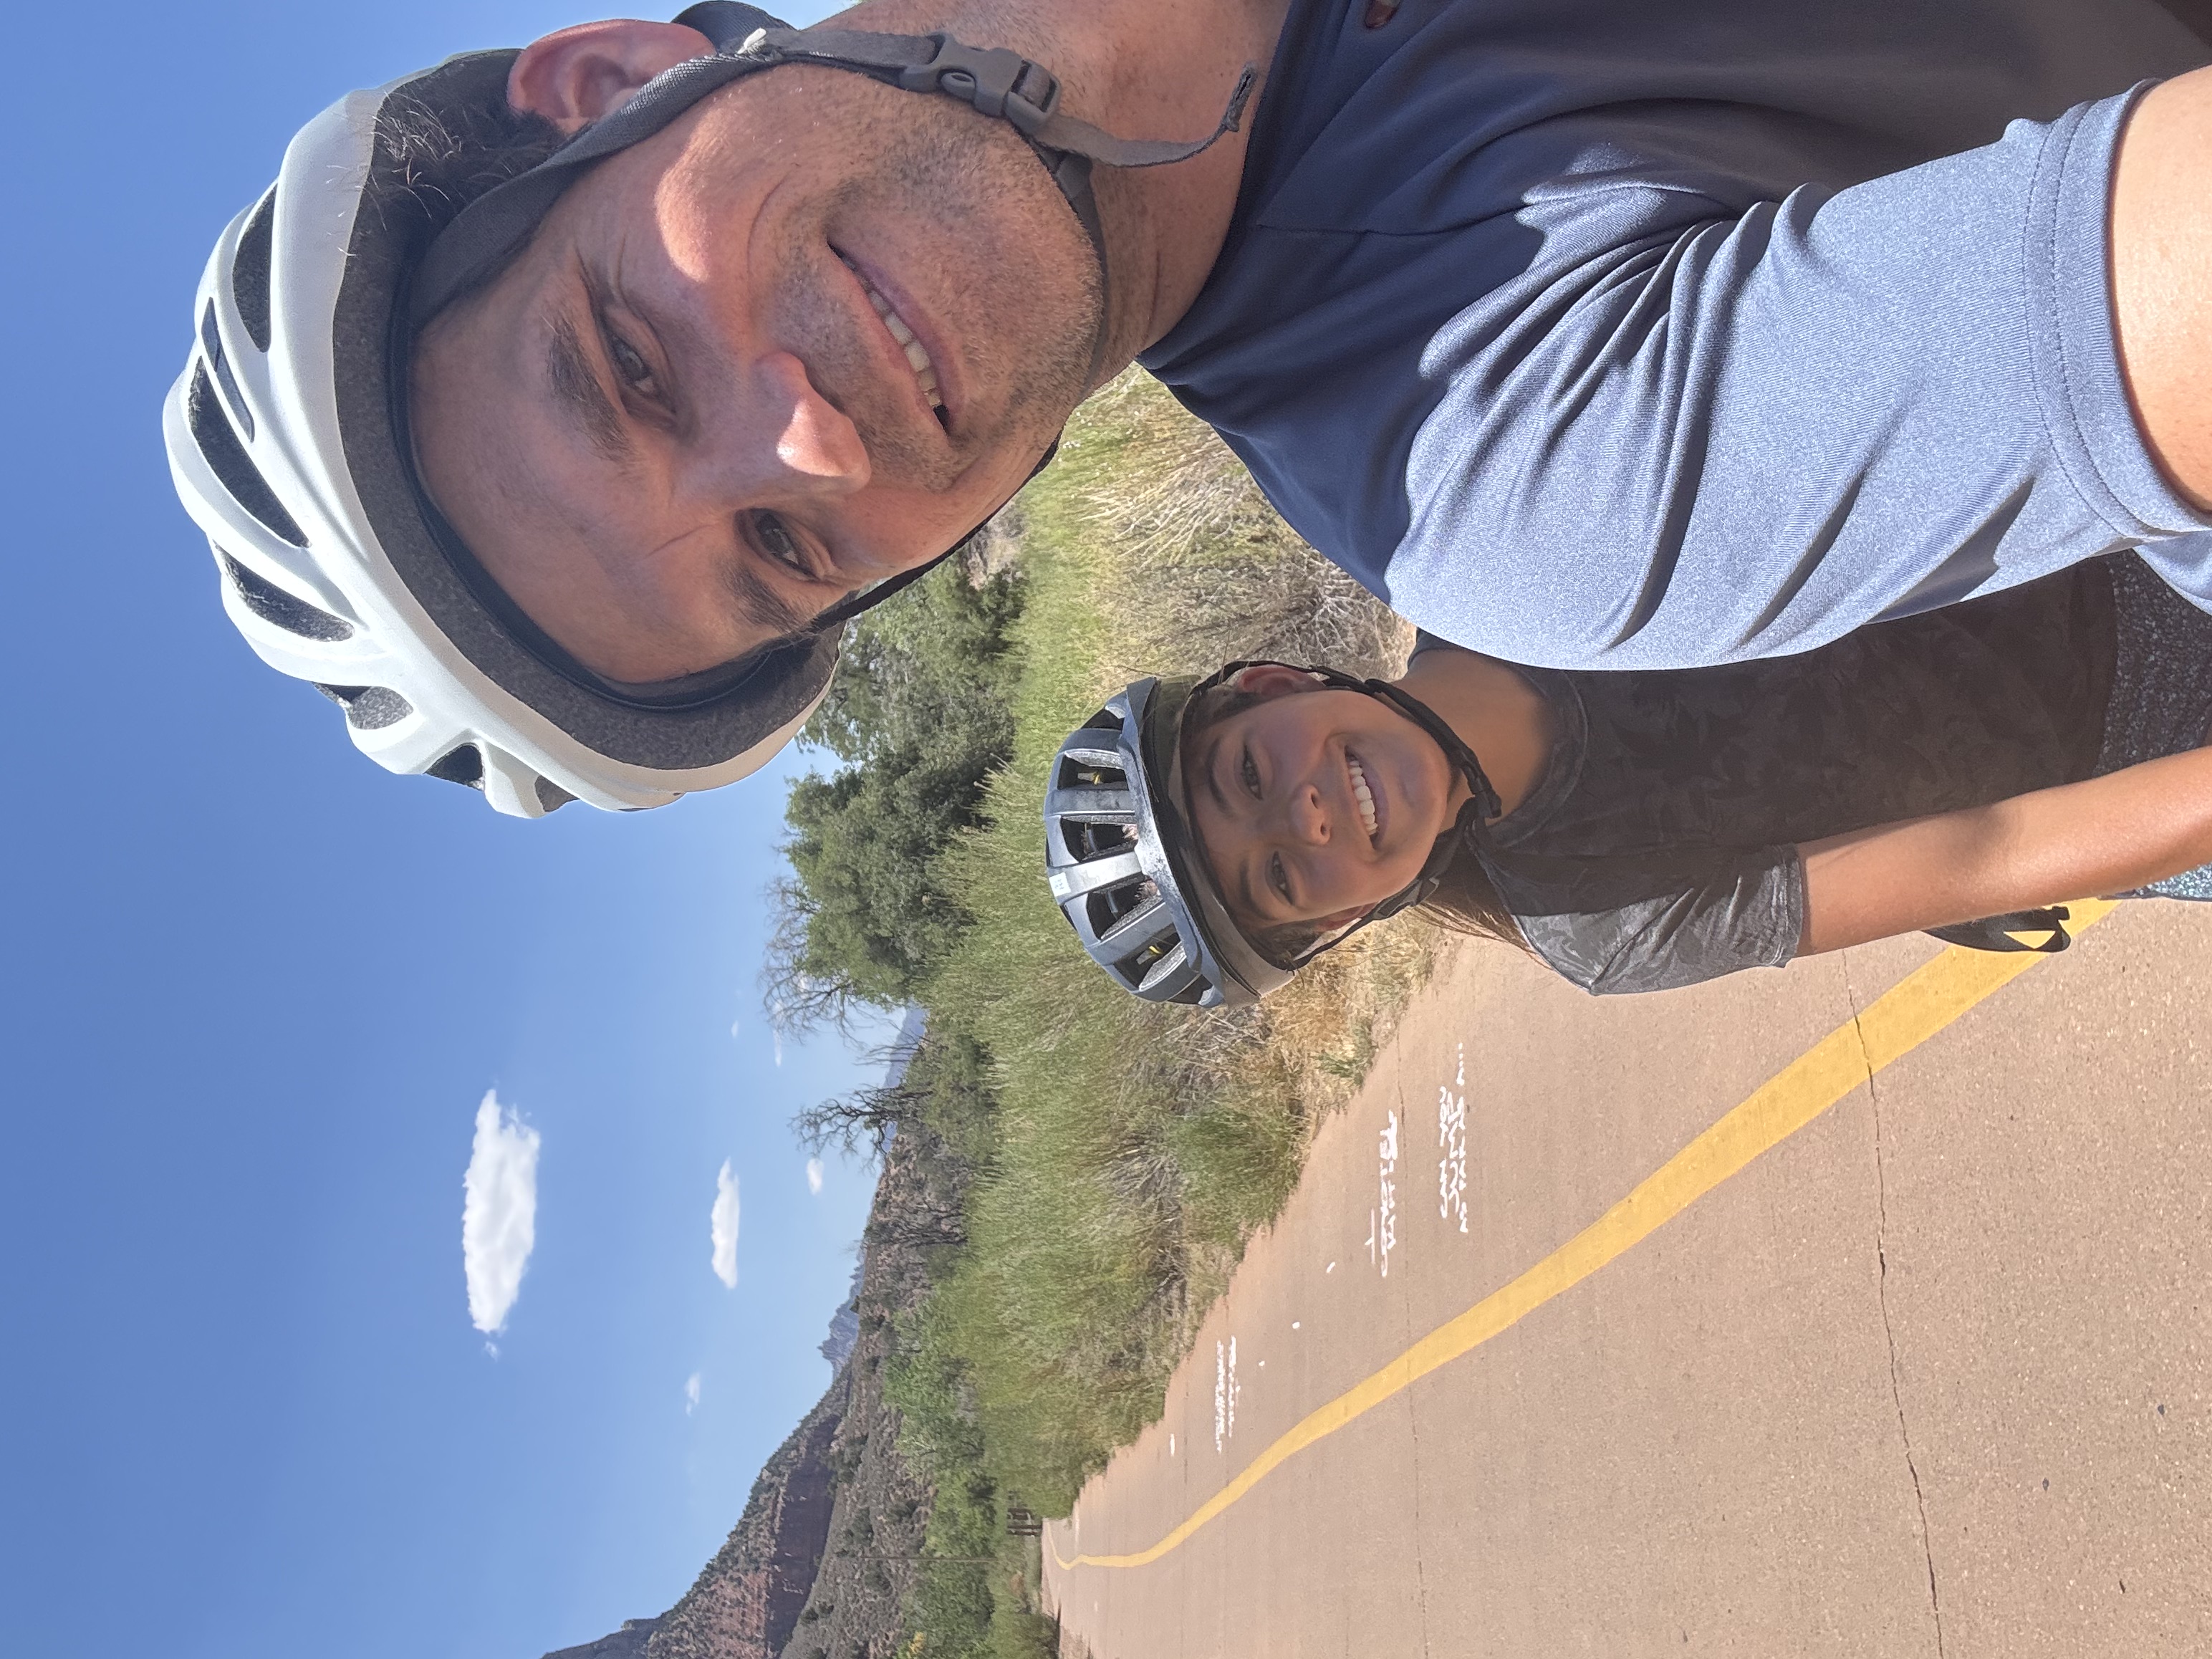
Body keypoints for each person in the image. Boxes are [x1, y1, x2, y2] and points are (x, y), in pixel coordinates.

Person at [168, 0, 2212, 814]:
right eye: (782, 552)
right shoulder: (1504, 456)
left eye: (633, 365)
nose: (807, 445)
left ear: (614, 87)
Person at [1042, 554, 2212, 1001]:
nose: (1303, 817)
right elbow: (1989, 855)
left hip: (2092, 512)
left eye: (1250, 774)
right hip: (2140, 746)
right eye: (1282, 880)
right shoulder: (1598, 917)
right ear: (1342, 920)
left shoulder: (1498, 561)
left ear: (1267, 686)